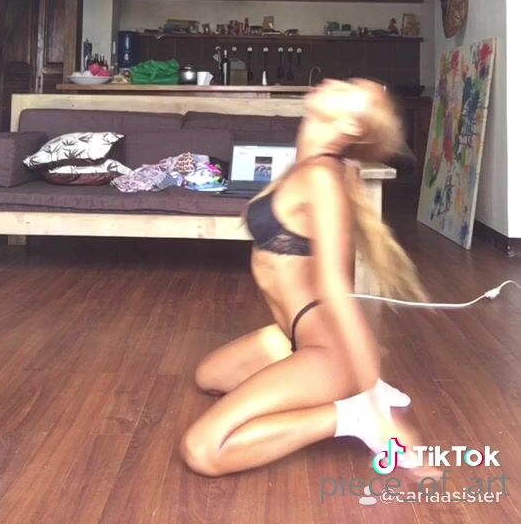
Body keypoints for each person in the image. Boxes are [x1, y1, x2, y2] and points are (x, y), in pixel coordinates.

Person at [180, 79, 429, 477]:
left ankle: (355, 414)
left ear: (351, 126)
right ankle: (338, 385)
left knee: (202, 450)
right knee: (209, 376)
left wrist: (367, 382)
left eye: (347, 92)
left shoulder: (322, 179)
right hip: (293, 335)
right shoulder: (313, 168)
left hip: (325, 346)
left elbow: (337, 288)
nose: (333, 83)